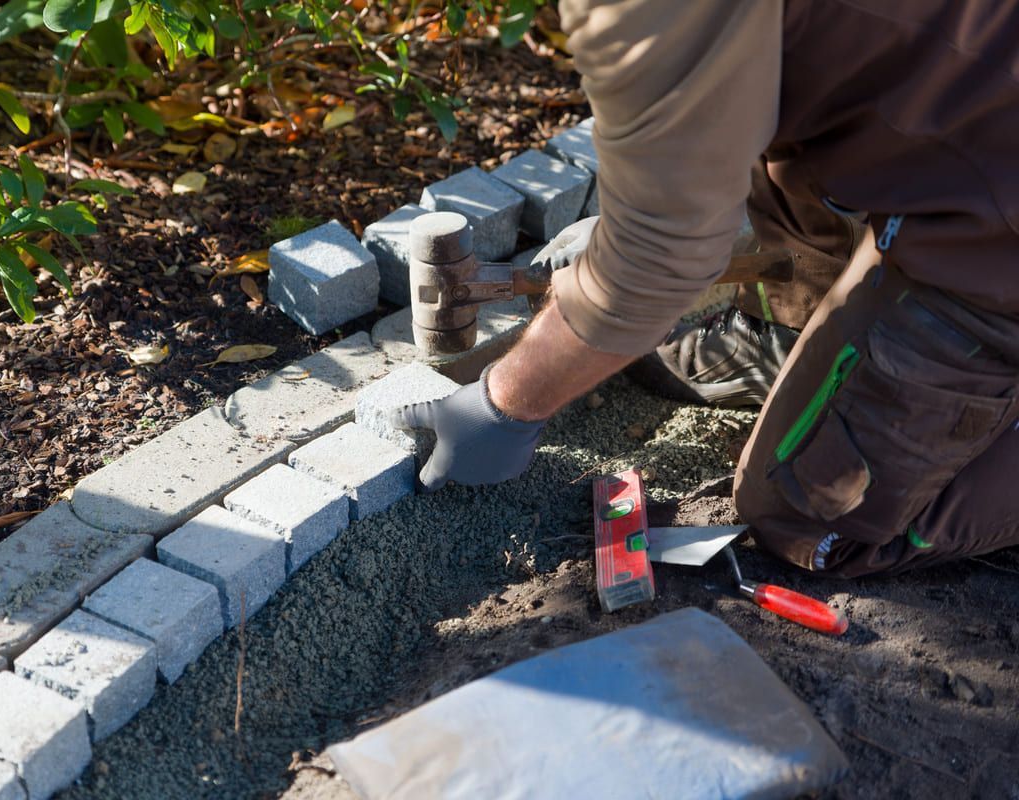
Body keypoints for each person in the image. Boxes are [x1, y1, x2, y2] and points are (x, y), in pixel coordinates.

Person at [391, 0, 1019, 578]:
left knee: (804, 516)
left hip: (994, 230)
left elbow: (651, 265)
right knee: (769, 113)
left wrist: (503, 406)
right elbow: (701, 131)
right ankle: (801, 334)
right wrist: (645, 230)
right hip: (969, 124)